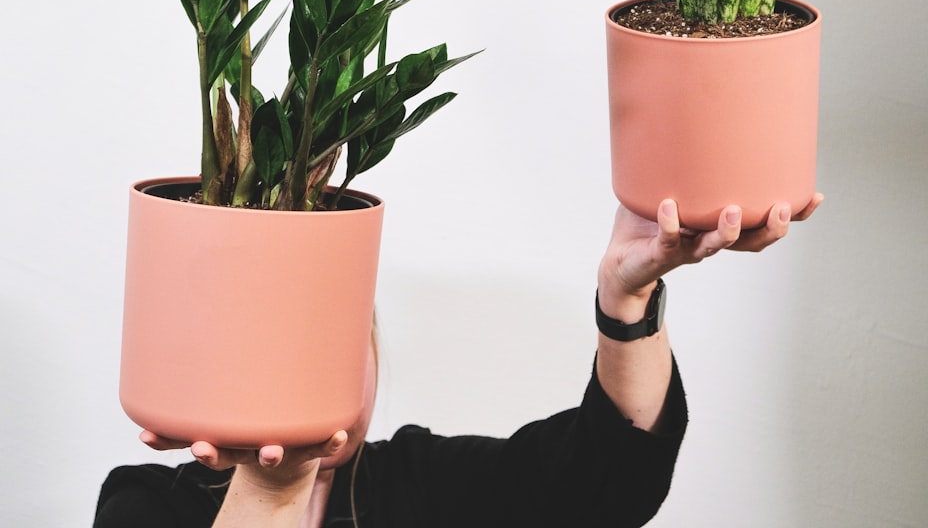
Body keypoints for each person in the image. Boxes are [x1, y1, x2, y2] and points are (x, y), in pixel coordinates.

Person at [94, 195, 822, 527]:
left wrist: (624, 298)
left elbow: (609, 481)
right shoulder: (145, 505)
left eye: (341, 343)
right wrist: (273, 488)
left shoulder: (425, 484)